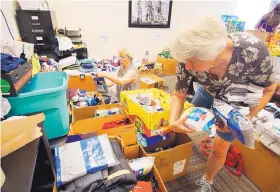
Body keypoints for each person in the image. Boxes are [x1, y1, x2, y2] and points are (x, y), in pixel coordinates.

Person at [170, 16, 277, 192]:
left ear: (215, 54)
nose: (187, 66)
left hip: (234, 101)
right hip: (206, 91)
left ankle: (208, 181)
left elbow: (269, 89)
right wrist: (173, 120)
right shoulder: (189, 54)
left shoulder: (253, 51)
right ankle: (206, 138)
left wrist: (246, 117)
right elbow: (179, 94)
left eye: (193, 61)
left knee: (220, 149)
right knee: (190, 123)